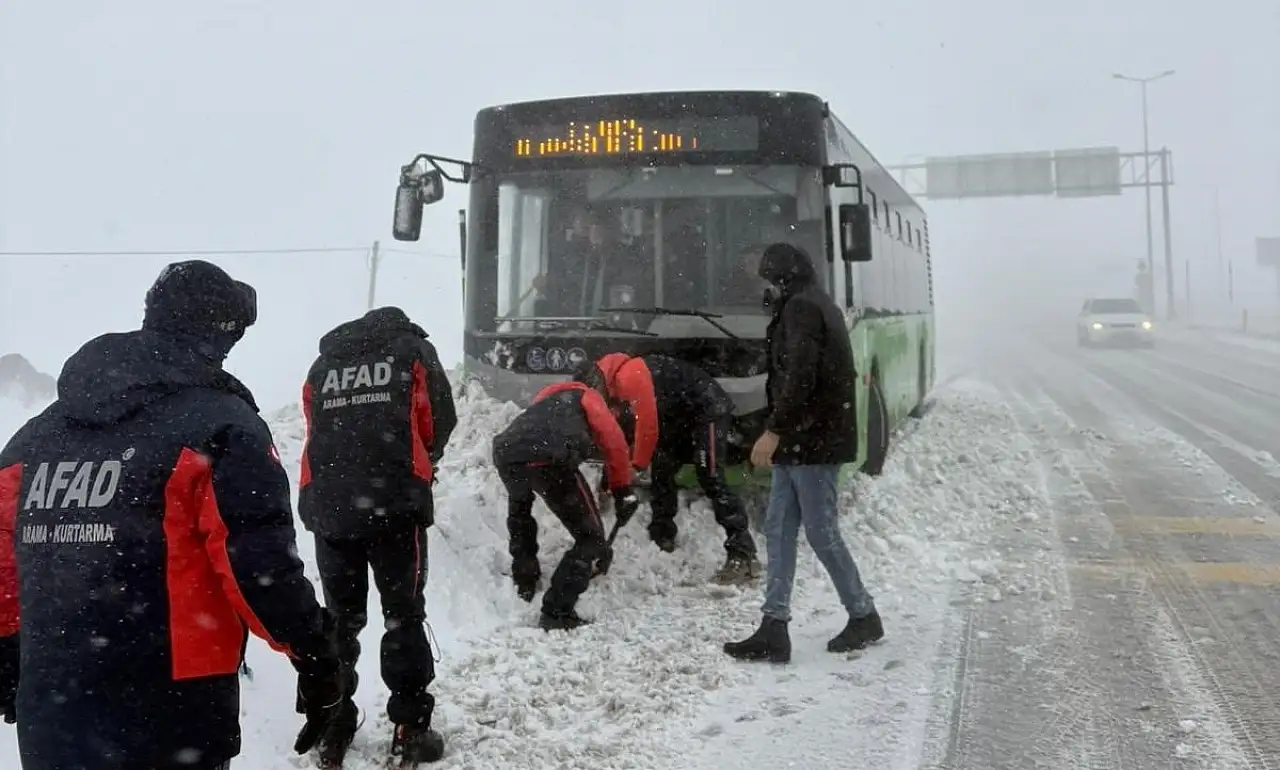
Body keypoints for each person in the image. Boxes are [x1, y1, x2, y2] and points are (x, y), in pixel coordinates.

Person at [0, 260, 344, 770]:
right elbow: (256, 564)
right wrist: (315, 655)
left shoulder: (35, 438)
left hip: (54, 710)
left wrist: (9, 650)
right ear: (221, 334)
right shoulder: (220, 425)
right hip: (171, 713)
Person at [297, 306, 457, 766]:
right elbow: (438, 417)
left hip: (329, 505)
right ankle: (409, 726)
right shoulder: (411, 350)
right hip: (393, 504)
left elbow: (316, 429)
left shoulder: (322, 365)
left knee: (340, 620)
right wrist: (424, 462)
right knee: (402, 614)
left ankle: (331, 722)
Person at [723, 242, 884, 664]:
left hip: (812, 440)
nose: (766, 288)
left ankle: (863, 614)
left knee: (820, 531)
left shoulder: (802, 310)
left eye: (769, 278)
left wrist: (772, 431)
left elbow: (800, 378)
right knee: (778, 527)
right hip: (803, 439)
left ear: (782, 277)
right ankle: (773, 627)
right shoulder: (807, 304)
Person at [577, 353, 761, 584]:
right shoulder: (613, 390)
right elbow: (619, 439)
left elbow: (647, 428)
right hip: (679, 417)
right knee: (662, 470)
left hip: (707, 409)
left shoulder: (630, 375)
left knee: (710, 474)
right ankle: (662, 536)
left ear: (597, 383)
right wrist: (608, 483)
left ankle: (743, 554)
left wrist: (637, 465)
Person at [491, 378, 639, 631]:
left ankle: (525, 578)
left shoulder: (543, 403)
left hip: (507, 454)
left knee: (520, 511)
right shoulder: (585, 395)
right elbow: (614, 442)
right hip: (550, 458)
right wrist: (622, 490)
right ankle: (557, 611)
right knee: (590, 537)